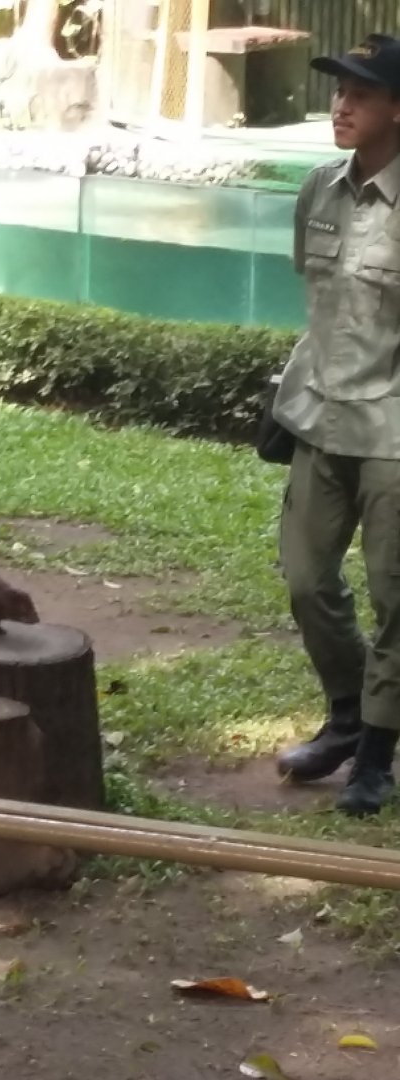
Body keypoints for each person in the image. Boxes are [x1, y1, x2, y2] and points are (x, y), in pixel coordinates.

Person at [272, 33, 400, 816]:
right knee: (306, 583)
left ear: (396, 107)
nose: (340, 104)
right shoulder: (318, 188)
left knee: (395, 598)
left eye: (359, 92)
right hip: (320, 423)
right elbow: (317, 310)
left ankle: (374, 755)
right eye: (337, 90)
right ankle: (349, 716)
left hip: (393, 434)